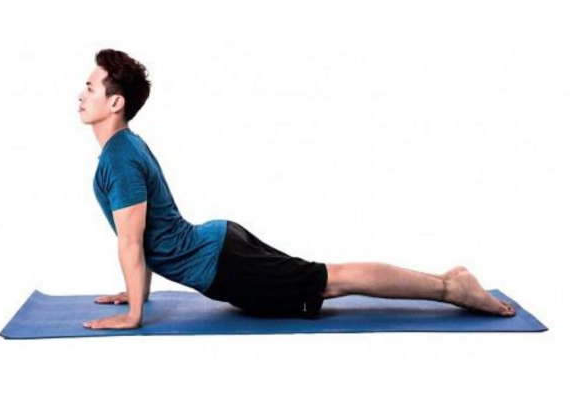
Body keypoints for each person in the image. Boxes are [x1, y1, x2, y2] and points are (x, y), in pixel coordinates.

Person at [80, 49, 516, 330]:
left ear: (115, 102)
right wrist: (136, 293)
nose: (81, 95)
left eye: (90, 87)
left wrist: (134, 314)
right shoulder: (125, 147)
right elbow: (145, 234)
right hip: (218, 249)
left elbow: (133, 241)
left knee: (330, 280)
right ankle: (448, 281)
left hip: (223, 263)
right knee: (325, 276)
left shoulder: (119, 157)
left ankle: (450, 289)